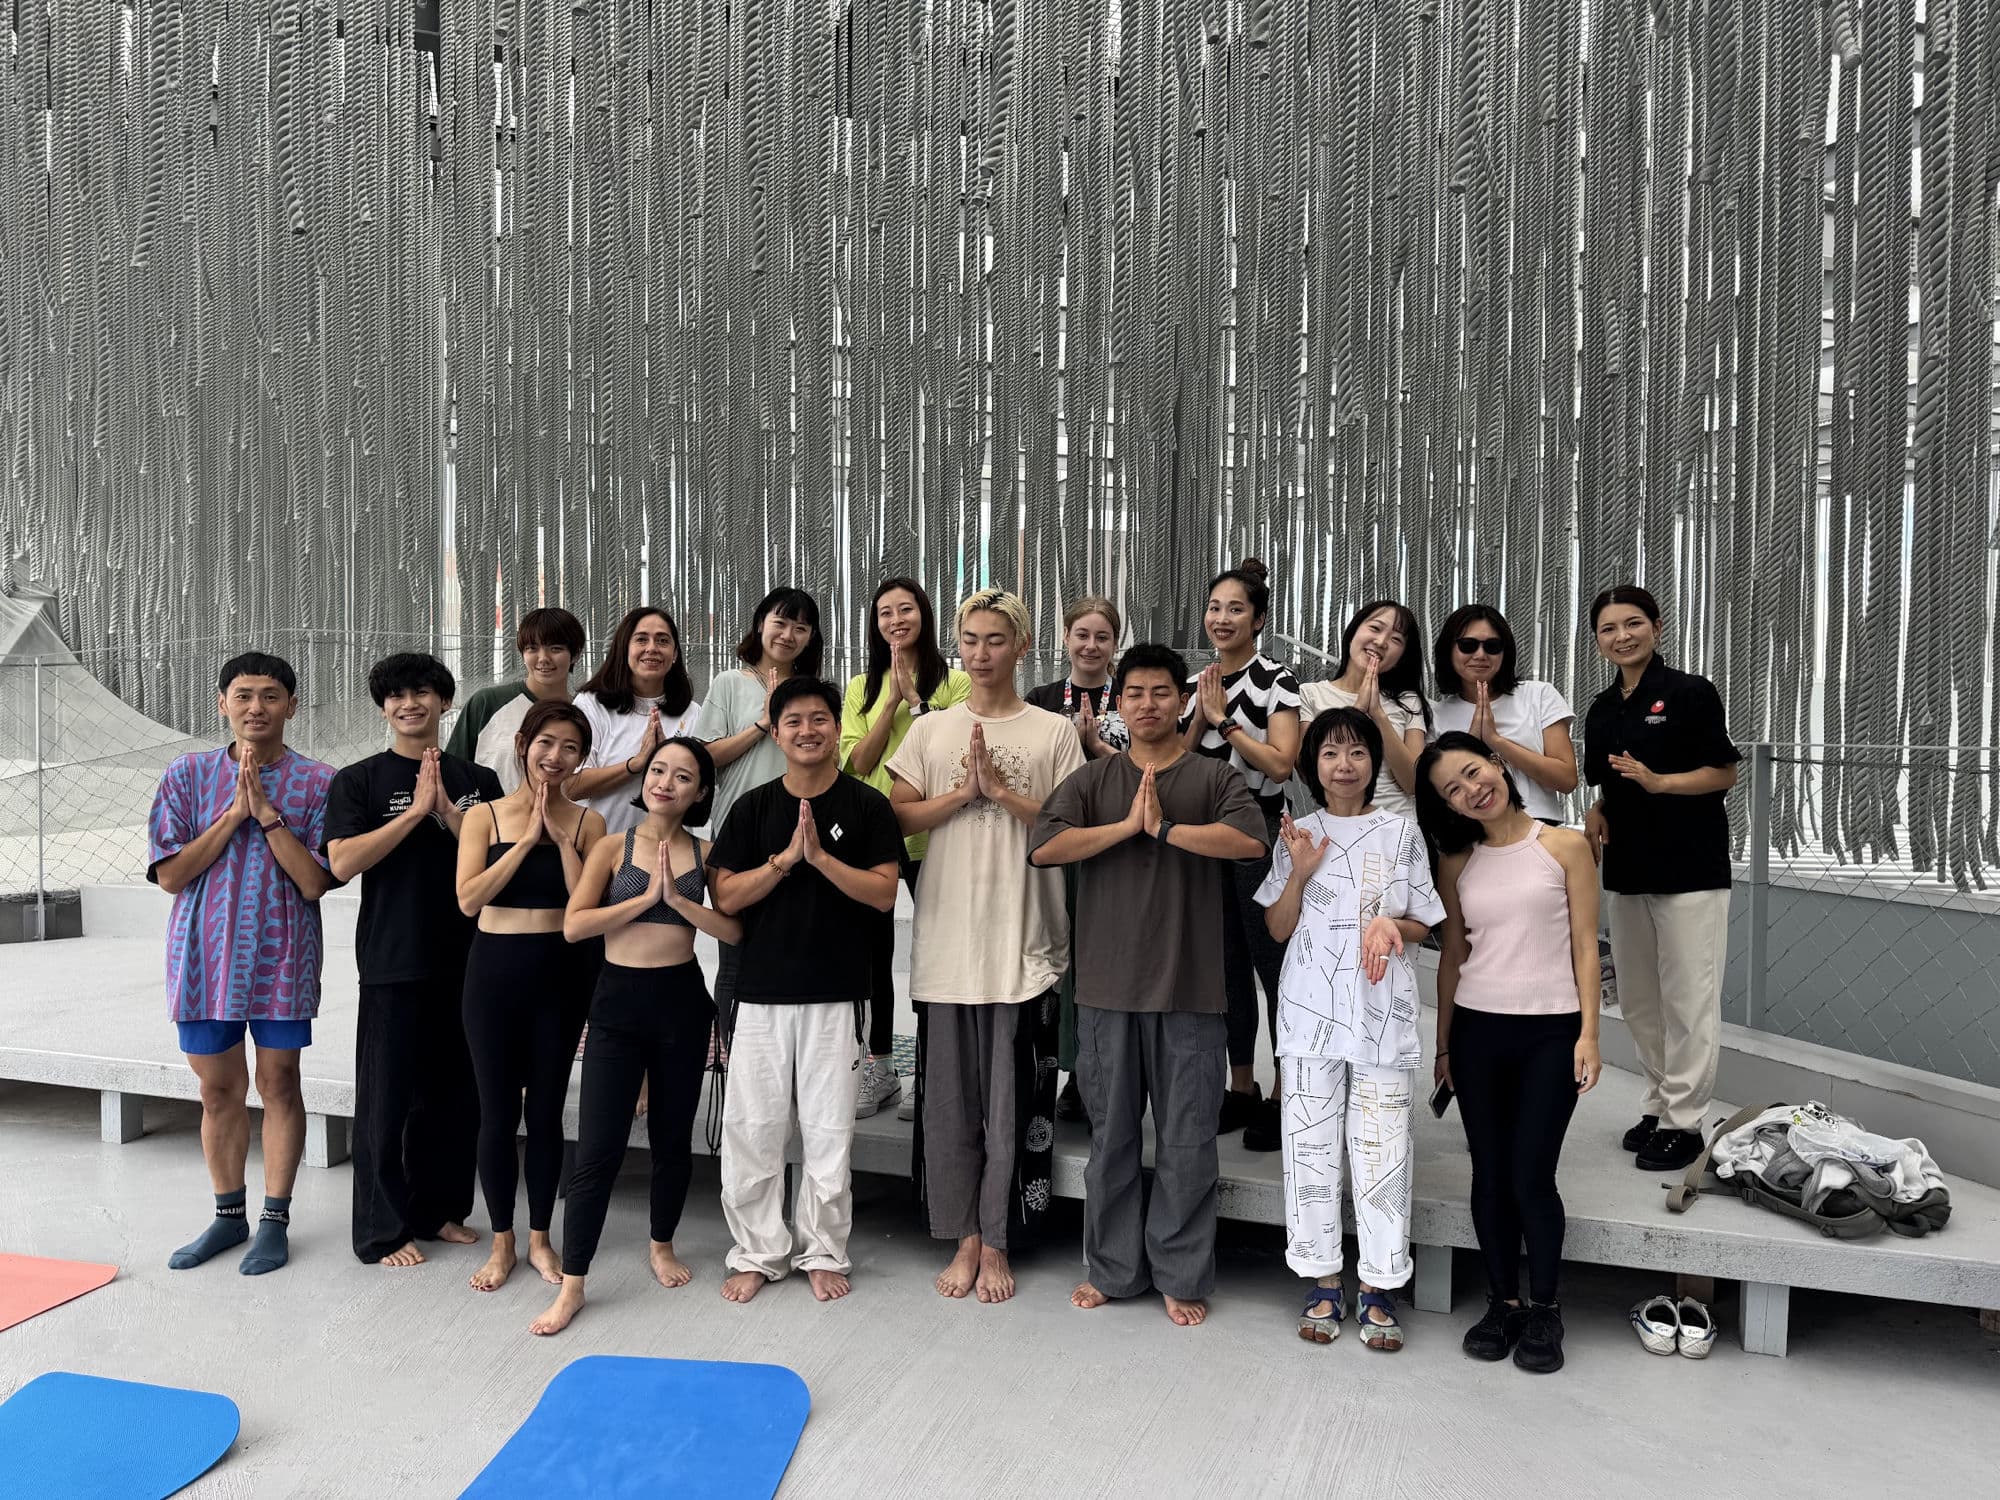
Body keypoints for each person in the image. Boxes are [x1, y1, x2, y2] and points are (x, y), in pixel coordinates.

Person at [1030, 643, 1268, 1326]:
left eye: (1161, 692)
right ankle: (1112, 1268)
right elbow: (1044, 846)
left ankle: (1180, 1271)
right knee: (1113, 1141)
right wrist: (1127, 828)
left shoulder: (1210, 778)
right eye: (1134, 693)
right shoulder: (1093, 782)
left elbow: (1251, 843)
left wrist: (1167, 832)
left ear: (1182, 700)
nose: (1147, 704)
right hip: (1106, 990)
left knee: (1189, 1140)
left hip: (1192, 990)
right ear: (1117, 704)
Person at [889, 588, 1084, 1302]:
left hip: (1023, 943)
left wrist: (1003, 794)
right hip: (947, 940)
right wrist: (963, 795)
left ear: (1023, 647)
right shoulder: (932, 729)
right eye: (969, 639)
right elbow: (897, 812)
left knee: (1014, 1106)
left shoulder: (1052, 731)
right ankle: (963, 1234)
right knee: (949, 1105)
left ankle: (999, 1237)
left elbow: (1067, 828)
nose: (980, 653)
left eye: (995, 640)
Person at [529, 738, 742, 1336]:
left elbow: (732, 928)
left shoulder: (707, 851)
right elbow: (575, 926)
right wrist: (646, 898)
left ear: (700, 791)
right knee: (598, 1148)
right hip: (617, 1002)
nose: (665, 782)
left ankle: (662, 1244)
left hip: (680, 1002)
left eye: (682, 776)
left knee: (674, 1141)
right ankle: (573, 1285)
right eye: (657, 771)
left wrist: (679, 900)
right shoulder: (611, 846)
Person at [708, 677, 904, 1304]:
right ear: (776, 728)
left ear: (834, 725)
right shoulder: (754, 808)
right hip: (761, 994)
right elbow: (726, 896)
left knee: (827, 1132)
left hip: (837, 993)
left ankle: (823, 1250)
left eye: (819, 719)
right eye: (793, 721)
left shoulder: (866, 806)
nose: (808, 731)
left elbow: (881, 894)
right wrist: (785, 860)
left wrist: (820, 859)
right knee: (752, 1128)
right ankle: (758, 1251)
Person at [1256, 708, 1443, 1351]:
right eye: (1331, 753)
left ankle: (1381, 1283)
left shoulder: (1402, 833)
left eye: (1357, 752)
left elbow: (1423, 921)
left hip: (1381, 1013)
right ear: (1313, 764)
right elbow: (1277, 928)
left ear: (1372, 763)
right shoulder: (1297, 831)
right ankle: (1322, 1278)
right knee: (1309, 1151)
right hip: (1309, 1013)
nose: (1344, 765)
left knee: (1382, 1150)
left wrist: (1393, 925)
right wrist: (1302, 870)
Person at [147, 651, 338, 1276]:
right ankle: (227, 1217)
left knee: (280, 1084)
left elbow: (313, 882)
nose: (256, 707)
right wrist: (233, 815)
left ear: (291, 704)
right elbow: (172, 874)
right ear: (223, 703)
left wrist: (267, 815)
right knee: (217, 1088)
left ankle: (275, 1220)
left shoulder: (318, 782)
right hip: (203, 957)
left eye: (271, 695)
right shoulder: (187, 775)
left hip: (282, 954)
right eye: (244, 695)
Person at [1419, 732, 1603, 1374]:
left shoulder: (1566, 845)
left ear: (1497, 763)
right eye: (1453, 790)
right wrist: (1443, 1044)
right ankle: (1503, 1302)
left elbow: (1586, 946)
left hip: (1551, 1033)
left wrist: (1589, 1034)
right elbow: (1454, 955)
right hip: (1477, 1032)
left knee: (1532, 1176)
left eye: (1474, 772)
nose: (1472, 790)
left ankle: (1546, 1310)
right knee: (1490, 1176)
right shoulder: (1456, 861)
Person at [326, 653, 502, 1268]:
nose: (411, 703)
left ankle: (440, 1211)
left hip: (469, 958)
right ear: (383, 706)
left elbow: (502, 864)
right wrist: (413, 813)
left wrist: (449, 814)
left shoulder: (478, 778)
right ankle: (381, 1230)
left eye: (423, 692)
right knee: (386, 1099)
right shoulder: (359, 779)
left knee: (456, 1096)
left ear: (445, 700)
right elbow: (344, 862)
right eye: (397, 695)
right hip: (393, 958)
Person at [1581, 584, 1739, 1172]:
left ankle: (1684, 1120)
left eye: (1632, 624)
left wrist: (1661, 783)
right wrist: (1597, 811)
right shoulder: (1602, 709)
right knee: (1641, 1000)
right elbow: (1605, 782)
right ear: (1597, 640)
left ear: (1657, 626)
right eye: (1608, 629)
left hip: (1691, 866)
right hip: (1628, 868)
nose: (1621, 636)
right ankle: (1658, 1101)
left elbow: (1723, 774)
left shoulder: (1690, 693)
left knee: (1688, 999)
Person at [455, 700, 606, 1292]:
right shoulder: (484, 817)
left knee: (544, 1111)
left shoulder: (589, 823)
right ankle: (502, 1241)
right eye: (547, 743)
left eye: (571, 748)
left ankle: (541, 1237)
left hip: (559, 976)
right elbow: (469, 900)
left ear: (581, 758)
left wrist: (560, 840)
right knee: (496, 1112)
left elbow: (582, 908)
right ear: (523, 744)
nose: (556, 757)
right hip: (493, 974)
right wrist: (523, 844)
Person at [1179, 559, 1301, 1150]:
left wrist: (1224, 721)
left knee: (1273, 967)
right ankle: (1242, 1085)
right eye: (1214, 608)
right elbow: (1177, 758)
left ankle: (1286, 1092)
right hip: (1205, 841)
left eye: (1235, 609)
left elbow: (1281, 763)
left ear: (1257, 618)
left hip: (1257, 839)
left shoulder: (1277, 680)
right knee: (1224, 968)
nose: (1221, 619)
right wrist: (1198, 714)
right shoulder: (1199, 681)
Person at [840, 577, 971, 1120]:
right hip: (872, 835)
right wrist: (890, 698)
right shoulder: (859, 687)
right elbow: (856, 765)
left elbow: (952, 754)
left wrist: (916, 702)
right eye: (885, 612)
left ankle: (933, 1073)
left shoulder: (955, 685)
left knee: (936, 953)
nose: (896, 619)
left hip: (933, 832)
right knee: (872, 957)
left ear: (925, 615)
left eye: (906, 609)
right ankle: (880, 1068)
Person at [695, 586, 823, 1026]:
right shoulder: (730, 683)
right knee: (735, 955)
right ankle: (736, 1067)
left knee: (795, 948)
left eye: (800, 627)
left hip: (800, 833)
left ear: (810, 638)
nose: (788, 634)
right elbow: (705, 756)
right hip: (737, 831)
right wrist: (763, 723)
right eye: (780, 622)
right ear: (760, 624)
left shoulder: (811, 693)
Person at [1026, 595, 1128, 1125]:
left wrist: (1095, 746)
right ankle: (1065, 1072)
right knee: (1059, 959)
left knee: (1104, 960)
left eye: (1102, 636)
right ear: (1065, 638)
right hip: (1059, 845)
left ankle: (1102, 1073)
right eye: (1081, 634)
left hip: (1121, 848)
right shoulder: (1040, 699)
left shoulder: (1133, 695)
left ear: (1116, 643)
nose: (1091, 645)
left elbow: (1152, 766)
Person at [1430, 604, 1577, 822]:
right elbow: (1436, 793)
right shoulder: (1435, 714)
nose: (1480, 654)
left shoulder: (1538, 695)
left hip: (1537, 826)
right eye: (1467, 645)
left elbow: (1566, 780)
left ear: (1505, 651)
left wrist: (1496, 741)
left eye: (1492, 646)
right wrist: (1472, 742)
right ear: (1448, 651)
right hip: (1470, 834)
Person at [568, 606, 702, 833]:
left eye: (662, 641)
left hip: (668, 852)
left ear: (675, 654)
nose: (652, 648)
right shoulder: (591, 704)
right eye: (641, 639)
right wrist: (637, 763)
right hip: (599, 848)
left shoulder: (691, 713)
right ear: (624, 648)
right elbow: (570, 785)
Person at [1300, 600, 1432, 824]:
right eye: (1375, 628)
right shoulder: (1310, 694)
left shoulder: (1408, 701)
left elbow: (1412, 784)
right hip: (1337, 827)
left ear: (1402, 656)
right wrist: (1357, 715)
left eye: (1396, 639)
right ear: (1353, 631)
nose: (1381, 642)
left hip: (1398, 827)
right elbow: (1308, 772)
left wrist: (1378, 715)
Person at [445, 607, 588, 793]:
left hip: (565, 821)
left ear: (575, 654)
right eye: (532, 648)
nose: (543, 658)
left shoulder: (586, 711)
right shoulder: (488, 703)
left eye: (556, 649)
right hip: (490, 820)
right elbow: (452, 772)